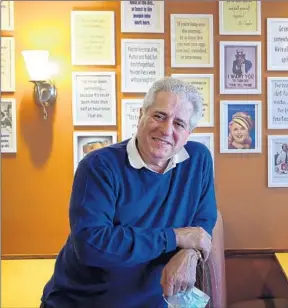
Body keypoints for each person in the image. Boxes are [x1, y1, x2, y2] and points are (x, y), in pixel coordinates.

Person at [40, 77, 218, 308]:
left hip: (154, 300)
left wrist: (191, 253)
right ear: (141, 114)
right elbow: (91, 244)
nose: (166, 129)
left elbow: (203, 221)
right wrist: (175, 237)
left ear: (189, 132)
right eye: (159, 116)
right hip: (84, 301)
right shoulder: (98, 166)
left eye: (179, 124)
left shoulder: (198, 160)